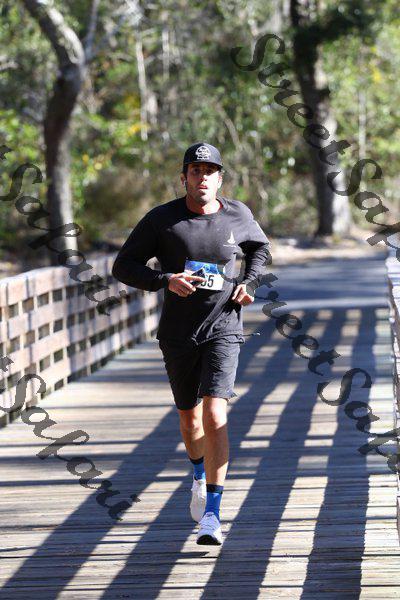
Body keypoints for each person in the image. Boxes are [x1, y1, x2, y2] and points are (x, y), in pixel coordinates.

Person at [112, 142, 270, 545]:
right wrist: (165, 280)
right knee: (190, 419)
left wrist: (249, 283)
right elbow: (123, 265)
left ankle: (212, 515)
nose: (202, 178)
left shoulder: (237, 214)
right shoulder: (161, 220)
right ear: (184, 177)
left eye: (210, 171)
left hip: (224, 327)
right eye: (195, 171)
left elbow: (259, 249)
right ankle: (199, 476)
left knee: (215, 415)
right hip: (178, 333)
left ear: (220, 179)